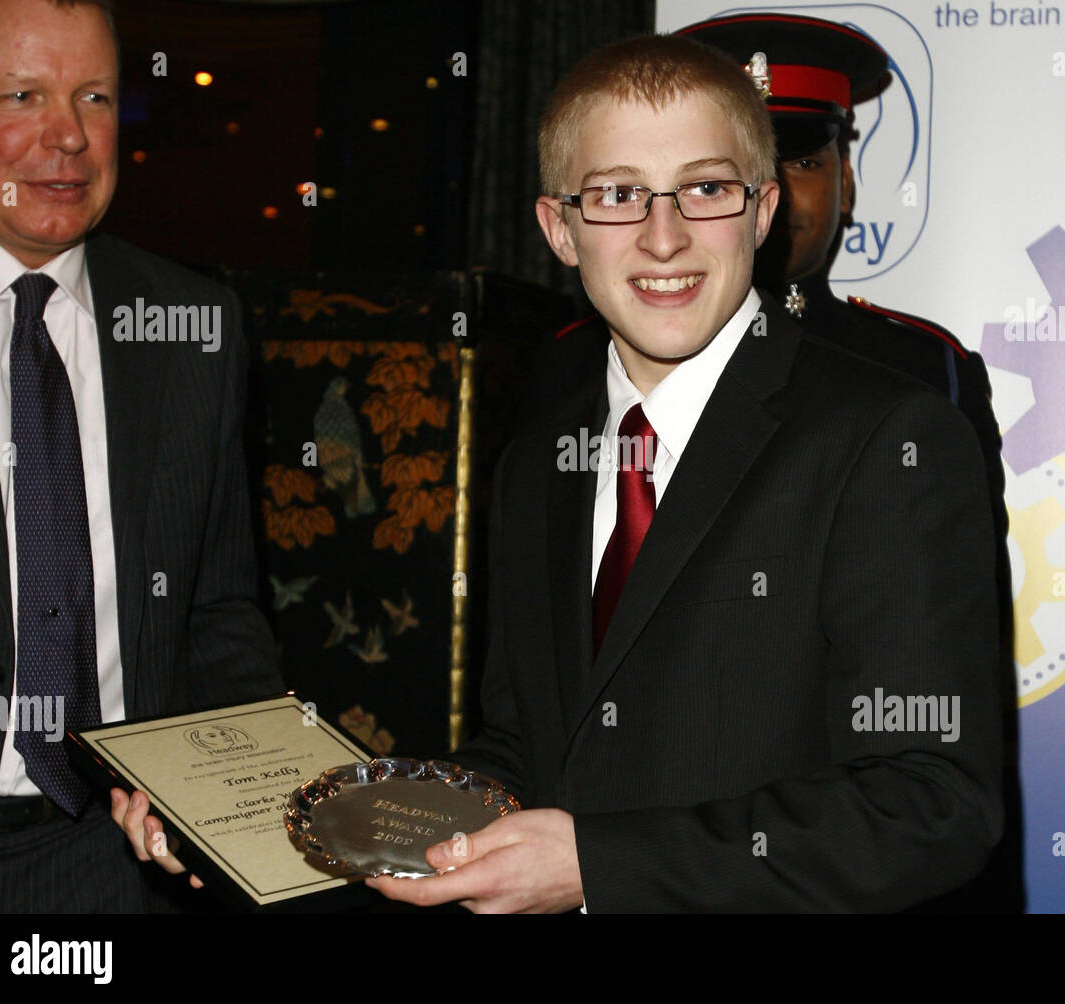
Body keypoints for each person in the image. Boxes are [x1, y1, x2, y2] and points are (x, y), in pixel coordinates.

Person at [366, 32, 1004, 913]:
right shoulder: (538, 458)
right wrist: (368, 821)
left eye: (705, 189)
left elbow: (930, 802)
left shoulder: (888, 441)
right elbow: (528, 746)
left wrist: (600, 866)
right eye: (619, 194)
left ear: (762, 209)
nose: (663, 238)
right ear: (559, 227)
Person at [680, 13, 1023, 913]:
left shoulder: (923, 372)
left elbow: (960, 665)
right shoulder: (573, 370)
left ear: (847, 176)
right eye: (735, 167)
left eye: (800, 157)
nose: (777, 197)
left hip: (861, 865)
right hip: (637, 852)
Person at [0, 0, 280, 912]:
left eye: (94, 98)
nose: (66, 136)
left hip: (113, 866)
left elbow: (220, 616)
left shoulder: (194, 331)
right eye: (23, 94)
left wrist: (233, 798)